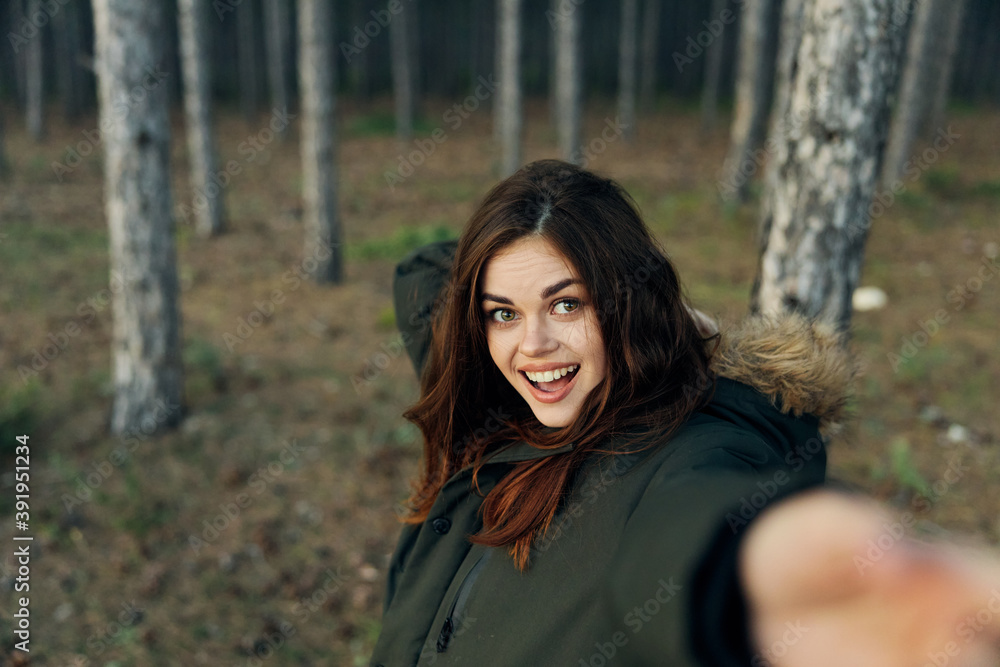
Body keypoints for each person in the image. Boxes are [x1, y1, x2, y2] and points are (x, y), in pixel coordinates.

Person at [369, 159, 1000, 666]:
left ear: (628, 301)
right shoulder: (494, 393)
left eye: (567, 305)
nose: (532, 346)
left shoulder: (693, 449)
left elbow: (698, 522)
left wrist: (762, 565)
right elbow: (420, 272)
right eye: (503, 312)